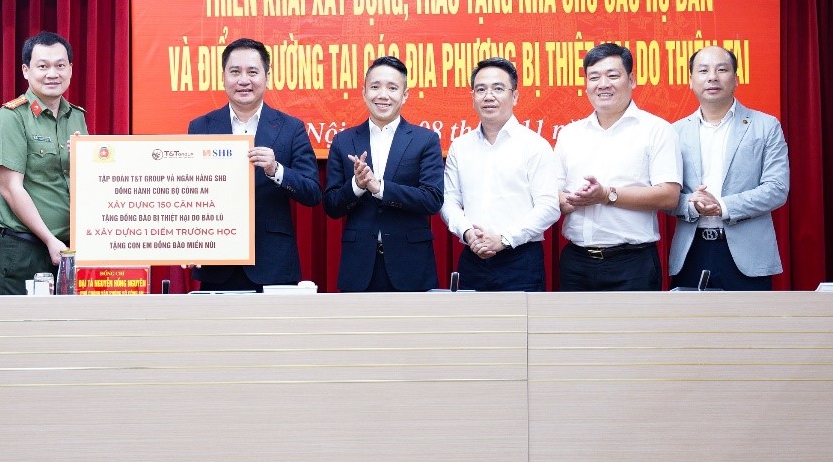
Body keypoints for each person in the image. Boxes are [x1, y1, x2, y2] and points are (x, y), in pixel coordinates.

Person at [187, 38, 321, 291]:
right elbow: (190, 191)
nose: (243, 80)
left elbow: (312, 192)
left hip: (273, 263)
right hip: (217, 262)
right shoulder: (201, 127)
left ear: (267, 77)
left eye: (252, 72)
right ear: (223, 77)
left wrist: (276, 170)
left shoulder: (290, 128)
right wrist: (190, 242)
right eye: (235, 72)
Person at [554, 43, 681, 291]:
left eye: (612, 75)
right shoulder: (570, 134)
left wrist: (606, 195)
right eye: (594, 77)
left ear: (631, 80)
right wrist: (569, 200)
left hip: (632, 264)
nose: (603, 84)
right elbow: (553, 191)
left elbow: (669, 196)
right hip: (576, 263)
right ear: (586, 85)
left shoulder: (657, 130)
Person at [668, 45, 789, 290]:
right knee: (690, 317)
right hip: (691, 253)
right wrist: (691, 204)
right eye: (703, 70)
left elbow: (777, 189)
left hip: (748, 254)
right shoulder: (674, 132)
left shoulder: (766, 126)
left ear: (736, 79)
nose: (712, 77)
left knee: (749, 317)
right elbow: (665, 195)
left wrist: (722, 206)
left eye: (722, 70)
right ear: (690, 80)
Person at [441, 57, 563, 292]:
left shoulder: (534, 146)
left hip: (520, 262)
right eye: (481, 90)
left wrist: (505, 239)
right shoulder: (460, 146)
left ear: (514, 96)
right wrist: (467, 233)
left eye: (498, 89)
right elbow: (449, 201)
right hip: (472, 259)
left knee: (521, 319)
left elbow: (549, 207)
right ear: (473, 97)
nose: (488, 96)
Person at [324, 56, 443, 292]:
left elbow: (432, 199)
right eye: (375, 87)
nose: (383, 95)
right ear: (364, 92)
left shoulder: (425, 140)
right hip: (359, 267)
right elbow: (331, 205)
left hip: (411, 266)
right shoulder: (343, 141)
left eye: (392, 88)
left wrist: (381, 189)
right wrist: (357, 186)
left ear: (405, 95)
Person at [0, 31, 88, 295]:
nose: (52, 73)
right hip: (24, 252)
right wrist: (50, 240)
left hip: (68, 251)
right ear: (26, 70)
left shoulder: (76, 117)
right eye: (43, 66)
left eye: (60, 65)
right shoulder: (11, 118)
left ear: (70, 69)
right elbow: (11, 189)